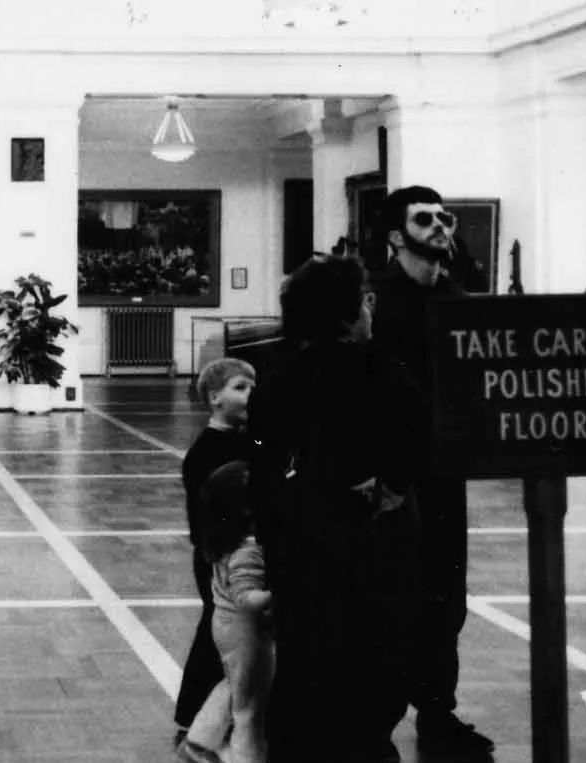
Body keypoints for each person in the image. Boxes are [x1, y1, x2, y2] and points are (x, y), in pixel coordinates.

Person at [249, 253, 422, 763]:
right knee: (374, 677)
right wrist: (391, 486)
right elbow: (420, 436)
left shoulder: (280, 374)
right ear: (349, 314)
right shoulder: (379, 368)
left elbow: (263, 469)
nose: (372, 311)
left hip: (303, 542)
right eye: (365, 303)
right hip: (372, 544)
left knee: (306, 671)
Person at [367, 186, 494, 759]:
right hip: (394, 475)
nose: (441, 226)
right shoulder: (377, 303)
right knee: (394, 596)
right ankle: (376, 721)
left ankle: (438, 711)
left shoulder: (456, 297)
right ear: (397, 236)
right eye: (425, 220)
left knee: (446, 595)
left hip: (445, 472)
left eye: (445, 218)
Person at [175, 356, 259, 753]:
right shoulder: (204, 453)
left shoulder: (252, 438)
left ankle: (214, 714)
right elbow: (207, 517)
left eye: (253, 387)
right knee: (218, 635)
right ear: (214, 398)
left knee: (229, 637)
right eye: (240, 388)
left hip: (245, 552)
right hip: (219, 556)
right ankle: (193, 715)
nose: (250, 395)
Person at [181, 460, 275, 763]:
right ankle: (246, 756)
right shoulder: (248, 549)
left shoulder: (224, 541)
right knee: (250, 705)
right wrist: (281, 592)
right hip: (243, 631)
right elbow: (247, 598)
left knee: (232, 686)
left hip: (225, 626)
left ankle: (198, 741)